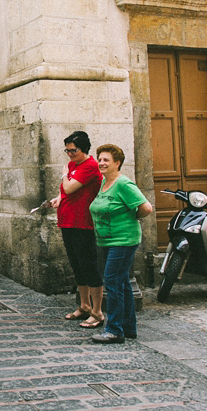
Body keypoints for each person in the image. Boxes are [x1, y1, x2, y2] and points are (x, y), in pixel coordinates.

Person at [88, 144, 153, 344]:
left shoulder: (124, 184)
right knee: (122, 283)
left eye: (106, 160)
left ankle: (114, 330)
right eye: (100, 159)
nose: (101, 163)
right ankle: (128, 327)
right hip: (107, 240)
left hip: (123, 240)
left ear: (117, 163)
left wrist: (134, 217)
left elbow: (146, 208)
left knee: (113, 281)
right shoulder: (105, 183)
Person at [48, 131, 104, 329]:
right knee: (77, 264)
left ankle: (97, 312)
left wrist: (64, 175)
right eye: (67, 150)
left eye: (73, 150)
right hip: (68, 221)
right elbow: (66, 191)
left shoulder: (90, 166)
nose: (70, 155)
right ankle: (84, 305)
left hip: (83, 222)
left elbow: (70, 187)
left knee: (89, 265)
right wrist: (58, 198)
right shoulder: (73, 165)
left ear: (84, 148)